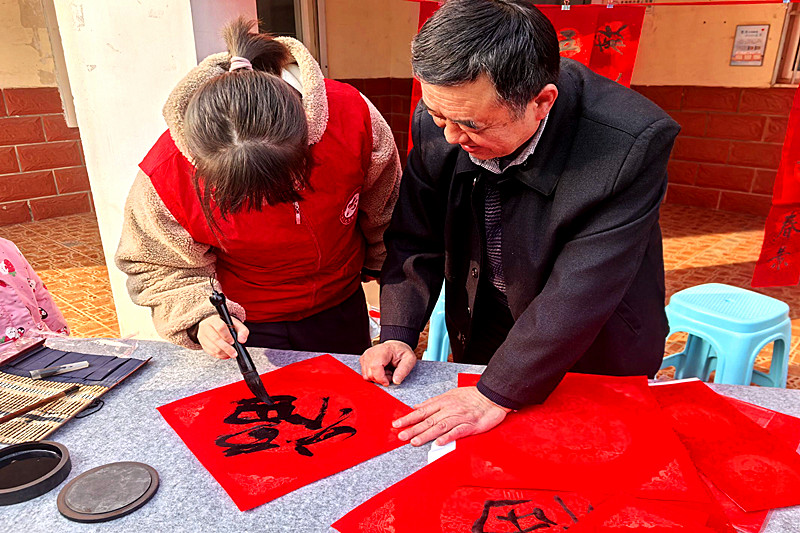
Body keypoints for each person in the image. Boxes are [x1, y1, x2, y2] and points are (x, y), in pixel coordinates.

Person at [360, 0, 680, 447]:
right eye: (438, 116)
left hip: (593, 341)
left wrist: (497, 391)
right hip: (486, 309)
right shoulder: (446, 118)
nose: (451, 137)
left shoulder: (628, 143)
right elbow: (417, 233)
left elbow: (582, 288)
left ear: (541, 102)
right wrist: (398, 332)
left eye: (471, 125)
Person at [116, 18, 400, 358]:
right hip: (245, 321)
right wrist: (201, 316)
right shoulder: (167, 172)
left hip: (339, 302)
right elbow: (156, 265)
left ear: (306, 137)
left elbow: (390, 210)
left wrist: (389, 275)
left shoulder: (351, 118)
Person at [0, 237, 69, 357]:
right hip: (5, 358)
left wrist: (60, 334)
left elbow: (39, 293)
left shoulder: (6, 247)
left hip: (39, 342)